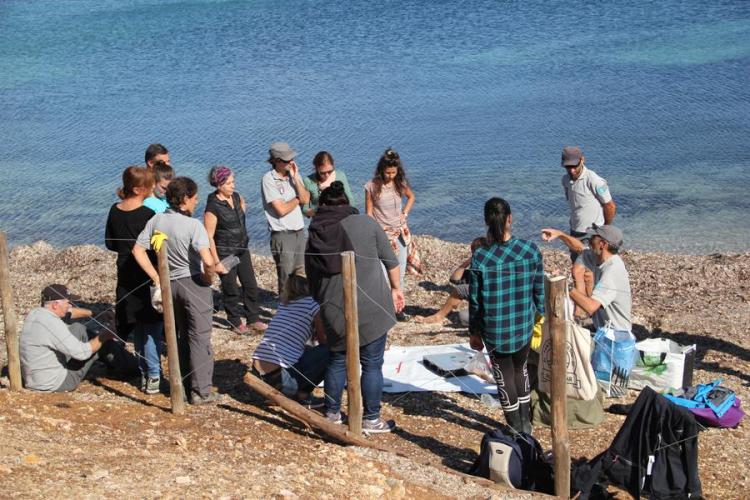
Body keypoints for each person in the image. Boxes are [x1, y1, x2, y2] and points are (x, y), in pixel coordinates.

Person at [306, 181, 405, 433]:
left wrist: (323, 309)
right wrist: (396, 290)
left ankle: (331, 414)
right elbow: (391, 262)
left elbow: (313, 282)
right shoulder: (367, 223)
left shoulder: (315, 234)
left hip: (335, 310)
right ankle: (371, 418)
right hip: (373, 308)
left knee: (337, 360)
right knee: (372, 364)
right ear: (347, 202)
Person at [133, 177, 219, 405]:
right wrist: (208, 278)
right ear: (184, 199)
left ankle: (181, 385)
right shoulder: (194, 226)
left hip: (169, 284)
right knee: (199, 337)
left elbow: (138, 250)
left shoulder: (157, 220)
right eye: (194, 198)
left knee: (179, 335)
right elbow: (208, 261)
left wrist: (156, 276)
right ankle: (201, 391)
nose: (197, 201)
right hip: (192, 282)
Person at [469, 198, 545, 434]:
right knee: (520, 369)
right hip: (522, 325)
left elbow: (475, 301)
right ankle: (526, 425)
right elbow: (540, 293)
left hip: (495, 329)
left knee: (504, 376)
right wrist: (540, 315)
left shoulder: (480, 257)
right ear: (510, 218)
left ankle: (515, 426)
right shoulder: (530, 250)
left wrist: (474, 332)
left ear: (486, 222)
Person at [105, 166, 164, 394]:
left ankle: (144, 372)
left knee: (136, 326)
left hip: (125, 274)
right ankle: (153, 374)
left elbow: (110, 243)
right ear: (140, 189)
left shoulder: (114, 210)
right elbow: (159, 247)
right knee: (151, 328)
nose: (152, 190)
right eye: (149, 186)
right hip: (147, 275)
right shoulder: (149, 215)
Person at [251, 271, 328, 408]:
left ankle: (286, 394)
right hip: (280, 379)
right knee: (330, 352)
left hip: (257, 373)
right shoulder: (312, 304)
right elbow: (323, 340)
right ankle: (302, 395)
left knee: (307, 350)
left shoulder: (284, 304)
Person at [20, 284, 116, 392]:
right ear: (56, 304)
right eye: (68, 302)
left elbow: (70, 312)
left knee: (78, 328)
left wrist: (96, 314)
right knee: (99, 345)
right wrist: (105, 335)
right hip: (55, 383)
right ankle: (131, 368)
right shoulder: (52, 323)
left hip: (34, 379)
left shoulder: (36, 314)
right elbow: (82, 353)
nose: (70, 305)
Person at [204, 165, 265, 334]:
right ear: (219, 185)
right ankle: (235, 321)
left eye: (233, 182)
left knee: (250, 284)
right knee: (230, 289)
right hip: (225, 252)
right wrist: (217, 262)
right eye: (229, 183)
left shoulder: (237, 198)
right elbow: (209, 236)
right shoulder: (213, 207)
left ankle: (253, 317)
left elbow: (241, 217)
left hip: (242, 249)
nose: (233, 185)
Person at [541, 225, 631, 332]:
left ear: (602, 245)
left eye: (592, 238)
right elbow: (579, 248)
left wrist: (565, 285)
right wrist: (560, 234)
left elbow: (591, 307)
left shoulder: (612, 271)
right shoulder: (600, 257)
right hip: (603, 329)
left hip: (615, 336)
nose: (588, 241)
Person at [261, 141, 310, 294]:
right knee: (286, 278)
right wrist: (297, 199)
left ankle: (301, 308)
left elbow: (306, 198)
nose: (291, 162)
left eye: (291, 159)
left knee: (302, 274)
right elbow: (281, 209)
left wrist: (295, 178)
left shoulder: (294, 174)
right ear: (276, 161)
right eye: (286, 160)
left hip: (299, 232)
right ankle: (284, 309)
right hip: (282, 235)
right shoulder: (268, 179)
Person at [364, 148, 417, 290]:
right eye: (388, 173)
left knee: (400, 269)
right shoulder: (371, 186)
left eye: (394, 172)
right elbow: (368, 212)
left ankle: (398, 304)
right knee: (383, 272)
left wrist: (404, 213)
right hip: (382, 233)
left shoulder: (400, 183)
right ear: (381, 170)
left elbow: (411, 197)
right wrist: (372, 231)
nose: (391, 176)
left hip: (400, 232)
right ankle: (385, 302)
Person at [414, 237, 486, 325]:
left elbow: (461, 289)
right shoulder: (474, 270)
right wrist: (468, 261)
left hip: (493, 307)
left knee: (462, 291)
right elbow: (454, 278)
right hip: (485, 306)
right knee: (463, 316)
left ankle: (438, 317)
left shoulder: (490, 268)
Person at [561, 146, 616, 257]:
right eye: (568, 167)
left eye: (574, 166)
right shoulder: (565, 180)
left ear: (582, 160)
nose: (572, 170)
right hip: (575, 230)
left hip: (593, 233)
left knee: (586, 267)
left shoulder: (594, 180)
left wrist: (605, 229)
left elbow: (610, 206)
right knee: (576, 264)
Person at [302, 151, 355, 217]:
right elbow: (304, 209)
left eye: (330, 171)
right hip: (320, 222)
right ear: (316, 168)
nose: (327, 175)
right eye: (322, 173)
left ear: (333, 166)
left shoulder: (340, 176)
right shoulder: (308, 181)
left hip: (341, 219)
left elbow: (351, 201)